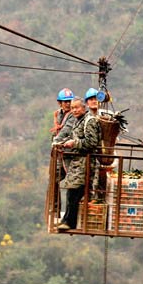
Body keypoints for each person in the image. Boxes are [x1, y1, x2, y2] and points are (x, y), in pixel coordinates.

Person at [57, 88, 102, 230]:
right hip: (77, 163)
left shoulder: (89, 121)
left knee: (75, 192)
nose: (74, 110)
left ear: (84, 108)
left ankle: (70, 222)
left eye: (77, 108)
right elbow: (74, 136)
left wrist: (74, 143)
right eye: (72, 108)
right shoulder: (78, 121)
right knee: (71, 192)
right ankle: (66, 219)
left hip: (85, 163)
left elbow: (91, 143)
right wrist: (62, 142)